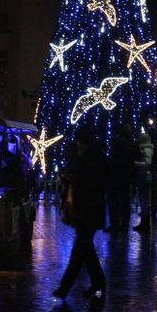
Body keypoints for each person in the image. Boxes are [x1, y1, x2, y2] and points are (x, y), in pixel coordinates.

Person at [52, 125, 107, 302]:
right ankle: (91, 284)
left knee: (82, 249)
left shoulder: (89, 160)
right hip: (87, 210)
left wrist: (69, 178)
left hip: (87, 210)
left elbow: (87, 182)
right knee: (83, 249)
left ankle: (66, 288)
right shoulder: (94, 157)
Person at [107, 123, 138, 232]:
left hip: (115, 175)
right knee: (125, 200)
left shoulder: (116, 142)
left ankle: (114, 224)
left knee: (113, 201)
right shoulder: (132, 143)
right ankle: (124, 225)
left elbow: (112, 158)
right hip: (126, 175)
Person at [132, 131, 155, 231]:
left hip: (144, 175)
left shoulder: (146, 150)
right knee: (144, 199)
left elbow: (147, 163)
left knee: (143, 199)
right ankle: (144, 223)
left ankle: (145, 224)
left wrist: (136, 163)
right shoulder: (148, 149)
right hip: (145, 175)